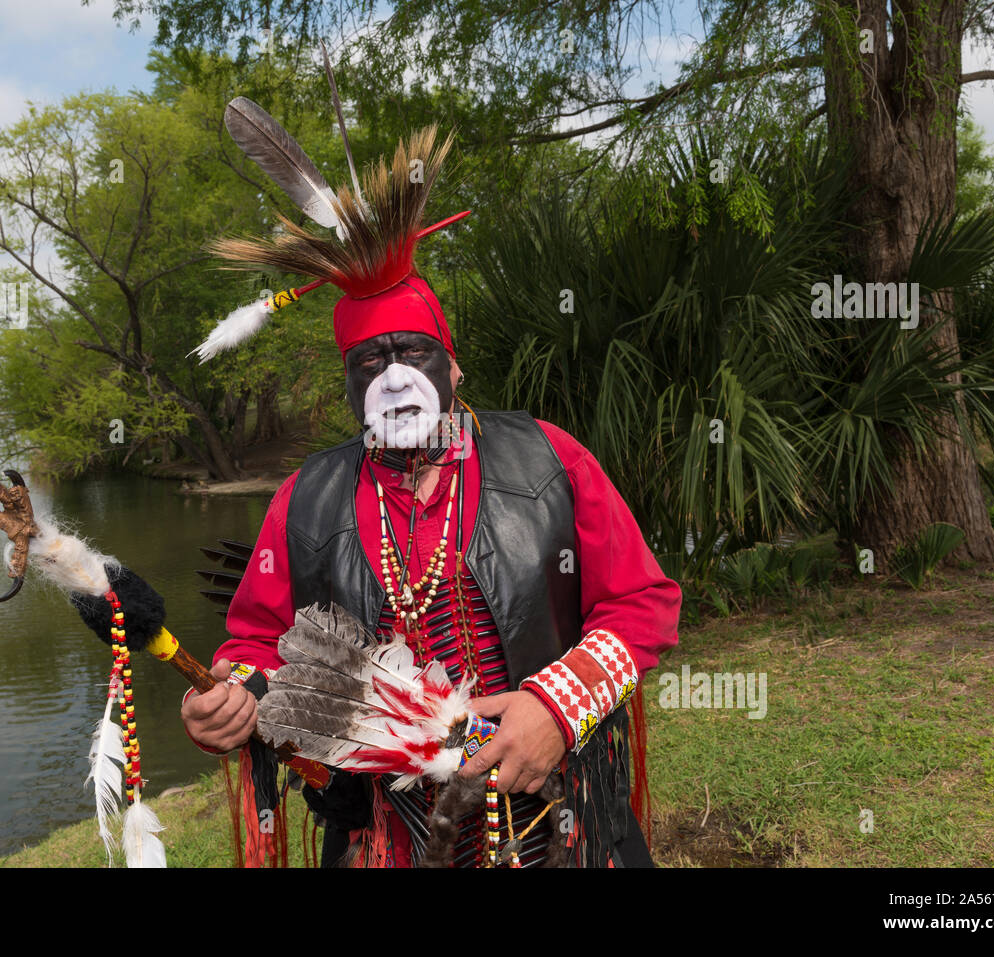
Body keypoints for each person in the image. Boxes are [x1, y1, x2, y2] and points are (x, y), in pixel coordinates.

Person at [179, 125, 681, 867]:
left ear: (454, 371)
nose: (392, 375)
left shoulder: (547, 458)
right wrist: (234, 694)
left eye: (413, 353)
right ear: (348, 387)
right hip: (388, 837)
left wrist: (556, 705)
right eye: (369, 360)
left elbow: (644, 601)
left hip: (563, 819)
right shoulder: (307, 499)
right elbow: (259, 643)